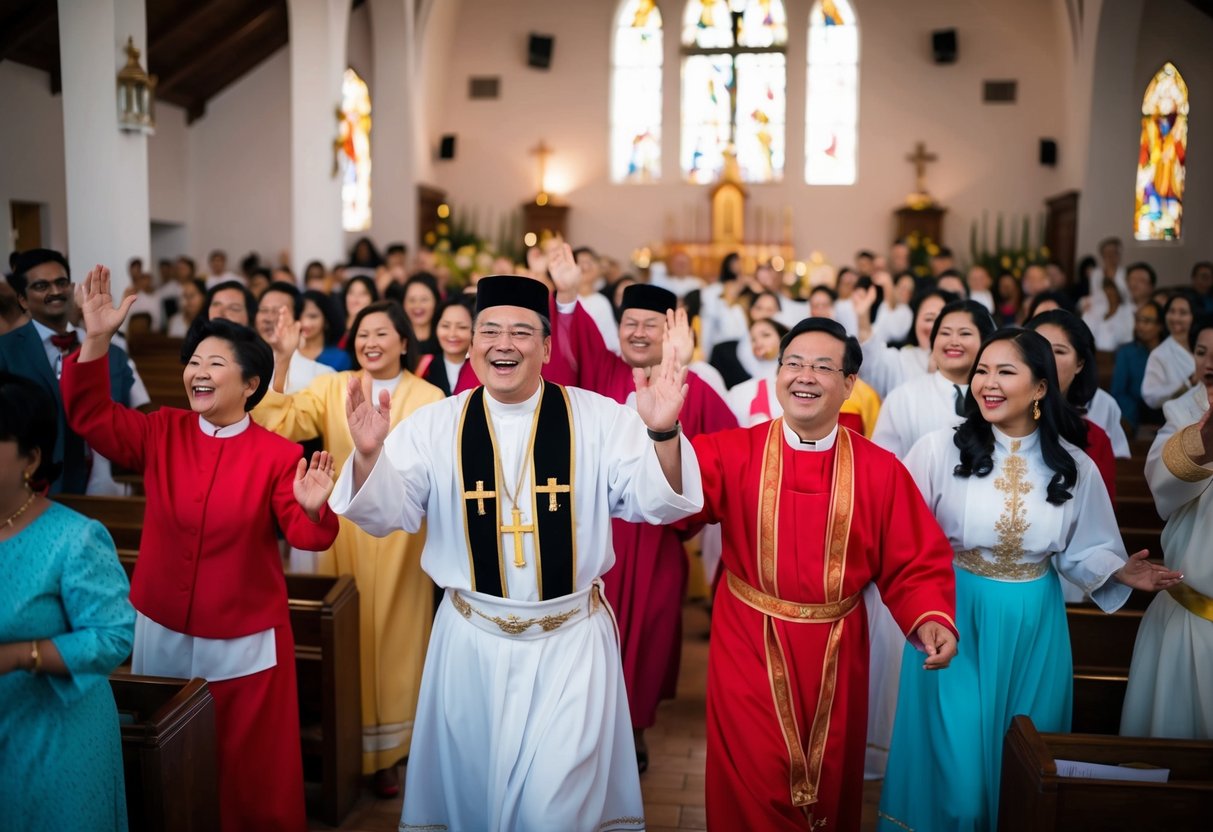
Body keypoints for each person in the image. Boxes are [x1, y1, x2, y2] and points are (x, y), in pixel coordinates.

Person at [329, 273, 702, 830]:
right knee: (473, 808)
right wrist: (366, 458)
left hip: (570, 646)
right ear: (472, 342)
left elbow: (660, 503)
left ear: (548, 347)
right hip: (470, 645)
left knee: (555, 810)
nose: (503, 344)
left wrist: (665, 432)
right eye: (490, 331)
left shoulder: (598, 418)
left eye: (522, 332)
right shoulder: (435, 425)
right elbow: (386, 513)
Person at [63, 265, 340, 832]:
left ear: (250, 384)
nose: (198, 372)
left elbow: (307, 535)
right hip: (163, 622)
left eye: (216, 363)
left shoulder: (277, 455)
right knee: (167, 749)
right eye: (194, 362)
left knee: (245, 766)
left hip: (242, 634)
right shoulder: (162, 430)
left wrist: (315, 507)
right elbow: (90, 416)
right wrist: (96, 340)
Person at [877, 328, 1181, 832]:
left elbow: (1085, 551)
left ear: (1041, 387)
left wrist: (1117, 567)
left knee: (1021, 766)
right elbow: (900, 537)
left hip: (1036, 626)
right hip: (954, 618)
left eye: (1005, 371)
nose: (987, 383)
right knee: (961, 788)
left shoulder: (1072, 466)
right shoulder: (936, 451)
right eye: (982, 370)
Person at [684, 317, 959, 831]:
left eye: (822, 367)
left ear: (849, 384)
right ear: (777, 372)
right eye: (793, 363)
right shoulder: (731, 451)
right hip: (749, 640)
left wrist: (929, 616)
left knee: (827, 783)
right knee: (754, 777)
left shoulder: (880, 470)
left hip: (838, 648)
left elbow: (914, 559)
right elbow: (672, 505)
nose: (804, 376)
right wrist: (661, 436)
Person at [547, 244, 736, 769]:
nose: (637, 332)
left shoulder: (693, 389)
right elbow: (565, 347)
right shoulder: (601, 370)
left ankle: (633, 728)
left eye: (650, 325)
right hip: (592, 530)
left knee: (647, 633)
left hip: (654, 543)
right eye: (629, 322)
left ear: (671, 332)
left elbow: (727, 456)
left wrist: (686, 521)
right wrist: (566, 294)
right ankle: (581, 724)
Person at [253, 299, 444, 794]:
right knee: (347, 631)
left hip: (404, 535)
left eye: (383, 333)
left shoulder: (429, 396)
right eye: (363, 334)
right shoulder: (335, 386)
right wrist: (281, 359)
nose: (371, 342)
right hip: (340, 532)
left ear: (405, 341)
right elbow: (279, 422)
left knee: (397, 635)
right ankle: (343, 745)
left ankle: (393, 754)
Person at [0, 372, 136, 832]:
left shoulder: (74, 538)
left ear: (30, 458)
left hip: (54, 734)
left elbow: (115, 634)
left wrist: (20, 655)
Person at [1121, 314, 1213, 739]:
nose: (1210, 362)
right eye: (1201, 351)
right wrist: (1200, 445)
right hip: (1191, 613)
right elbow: (1162, 489)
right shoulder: (1182, 413)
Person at [0, 249, 135, 494]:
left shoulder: (109, 350)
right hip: (34, 486)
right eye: (41, 286)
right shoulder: (6, 350)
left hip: (101, 483)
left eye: (61, 283)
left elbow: (132, 410)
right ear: (22, 299)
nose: (55, 292)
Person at [870, 298, 996, 458]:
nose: (953, 341)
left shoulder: (997, 398)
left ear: (985, 341)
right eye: (945, 333)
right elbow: (883, 464)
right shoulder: (903, 398)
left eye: (965, 333)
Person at [855, 288, 955, 399]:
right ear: (915, 322)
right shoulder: (901, 359)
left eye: (941, 320)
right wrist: (863, 318)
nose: (934, 327)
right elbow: (871, 364)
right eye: (928, 319)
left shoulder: (962, 361)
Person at [254, 281, 333, 394]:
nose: (268, 318)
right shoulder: (241, 367)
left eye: (278, 311)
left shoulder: (321, 375)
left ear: (298, 319)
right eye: (263, 310)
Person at [1111, 300, 1165, 433]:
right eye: (1138, 320)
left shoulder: (1169, 351)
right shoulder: (1126, 352)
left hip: (1166, 413)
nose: (1140, 326)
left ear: (1160, 326)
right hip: (1136, 415)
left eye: (1146, 321)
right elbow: (1118, 392)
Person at [1142, 289, 1201, 410]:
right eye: (1171, 311)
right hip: (1183, 420)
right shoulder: (1159, 354)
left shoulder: (1204, 344)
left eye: (1183, 313)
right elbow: (1150, 396)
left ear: (1193, 316)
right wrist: (1188, 383)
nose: (1176, 318)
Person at [424, 295, 479, 396]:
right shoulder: (423, 367)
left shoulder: (483, 370)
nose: (452, 334)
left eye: (462, 327)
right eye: (445, 326)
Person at [299, 290, 352, 370]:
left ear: (326, 321)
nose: (305, 323)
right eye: (298, 317)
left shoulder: (339, 358)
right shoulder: (287, 354)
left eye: (313, 316)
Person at [339, 275, 379, 349]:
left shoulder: (375, 330)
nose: (355, 299)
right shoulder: (336, 324)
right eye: (351, 292)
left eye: (363, 294)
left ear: (372, 298)